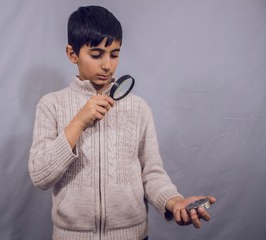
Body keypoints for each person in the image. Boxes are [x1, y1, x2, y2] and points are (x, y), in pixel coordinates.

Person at [28, 5, 216, 240]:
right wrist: (77, 122)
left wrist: (174, 201)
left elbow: (152, 173)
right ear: (71, 53)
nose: (107, 65)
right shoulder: (51, 105)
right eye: (96, 55)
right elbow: (40, 176)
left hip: (133, 235)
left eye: (114, 54)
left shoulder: (138, 108)